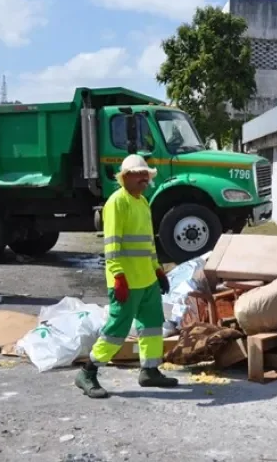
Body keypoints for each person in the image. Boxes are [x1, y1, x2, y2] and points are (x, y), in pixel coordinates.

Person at [75, 154, 178, 399]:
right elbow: (112, 245)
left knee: (152, 326)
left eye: (147, 174)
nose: (145, 178)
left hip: (147, 279)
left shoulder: (142, 202)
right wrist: (118, 276)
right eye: (139, 174)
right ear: (125, 177)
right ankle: (87, 372)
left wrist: (157, 269)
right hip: (126, 281)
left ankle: (150, 371)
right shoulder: (116, 203)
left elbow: (148, 243)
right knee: (116, 330)